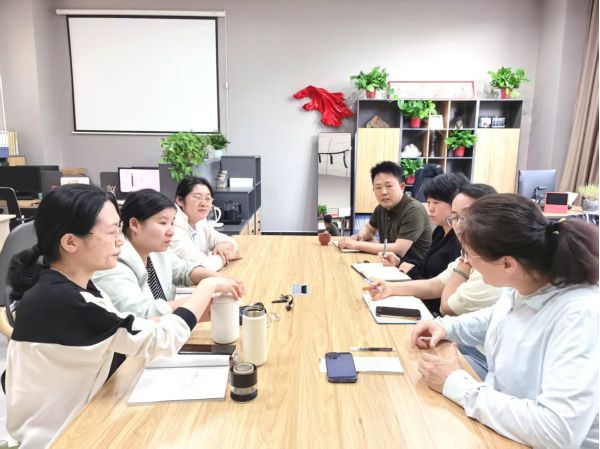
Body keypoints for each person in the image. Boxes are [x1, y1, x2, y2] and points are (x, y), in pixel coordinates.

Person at [4, 184, 243, 449]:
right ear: (70, 242)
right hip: (60, 438)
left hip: (82, 414)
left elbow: (131, 325)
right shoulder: (66, 301)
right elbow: (160, 340)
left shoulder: (69, 286)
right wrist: (207, 288)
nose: (120, 240)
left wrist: (196, 310)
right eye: (111, 232)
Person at [412, 194, 599, 449]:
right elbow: (498, 316)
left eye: (470, 256)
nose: (468, 263)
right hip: (505, 426)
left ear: (507, 263)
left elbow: (557, 432)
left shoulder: (580, 315)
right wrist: (447, 327)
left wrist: (456, 384)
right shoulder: (525, 284)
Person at [93, 189, 242, 318]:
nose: (171, 231)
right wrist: (204, 294)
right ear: (134, 225)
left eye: (172, 223)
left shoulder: (154, 249)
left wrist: (219, 279)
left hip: (166, 329)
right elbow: (141, 314)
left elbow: (183, 270)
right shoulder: (114, 262)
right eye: (163, 223)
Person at [366, 184, 500, 317]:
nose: (458, 224)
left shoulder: (488, 264)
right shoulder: (462, 249)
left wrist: (463, 267)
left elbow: (446, 308)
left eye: (466, 216)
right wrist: (390, 288)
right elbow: (434, 285)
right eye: (455, 217)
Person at [338, 161, 431, 265]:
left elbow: (399, 249)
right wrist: (360, 236)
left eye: (389, 186)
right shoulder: (381, 208)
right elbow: (369, 229)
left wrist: (356, 245)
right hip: (389, 264)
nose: (383, 192)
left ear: (402, 187)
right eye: (378, 187)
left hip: (414, 270)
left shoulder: (414, 209)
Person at [384, 173, 467, 279]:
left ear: (456, 203)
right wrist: (398, 262)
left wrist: (412, 272)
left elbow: (441, 284)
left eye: (436, 202)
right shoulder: (440, 230)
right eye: (428, 202)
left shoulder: (460, 240)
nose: (430, 208)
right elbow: (426, 266)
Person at [171, 176, 239, 271]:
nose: (204, 203)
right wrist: (227, 256)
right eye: (197, 197)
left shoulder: (199, 221)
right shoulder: (172, 226)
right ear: (180, 200)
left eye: (208, 198)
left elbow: (230, 242)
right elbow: (204, 266)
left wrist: (224, 246)